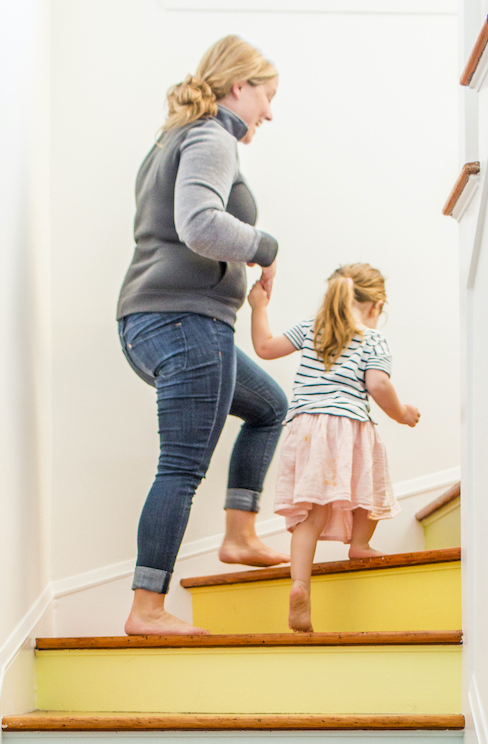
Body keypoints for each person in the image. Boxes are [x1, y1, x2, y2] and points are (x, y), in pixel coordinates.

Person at [117, 35, 289, 636]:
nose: (270, 111)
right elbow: (199, 225)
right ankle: (146, 610)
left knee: (269, 406)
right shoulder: (212, 137)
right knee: (182, 467)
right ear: (238, 87)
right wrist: (265, 247)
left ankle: (240, 534)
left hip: (154, 319)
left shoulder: (173, 137)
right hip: (187, 319)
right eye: (267, 96)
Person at [249, 263, 420, 632]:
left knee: (311, 514)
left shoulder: (314, 326)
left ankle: (299, 586)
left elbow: (265, 347)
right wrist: (402, 412)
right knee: (366, 489)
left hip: (305, 426)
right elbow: (377, 385)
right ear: (375, 305)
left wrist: (258, 307)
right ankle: (359, 543)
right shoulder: (373, 339)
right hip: (348, 424)